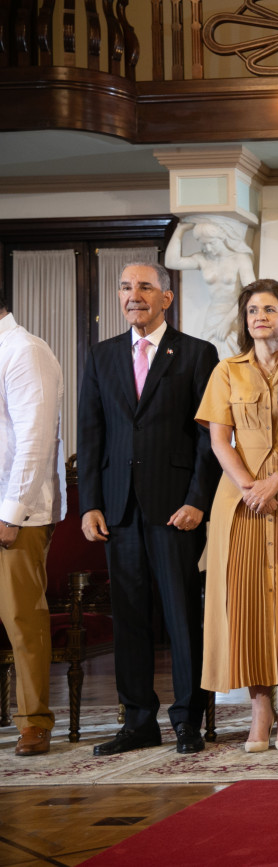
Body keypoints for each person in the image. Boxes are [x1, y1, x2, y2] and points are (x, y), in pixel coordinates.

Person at [79, 261, 222, 756]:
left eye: (144, 286)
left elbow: (208, 439)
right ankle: (138, 720)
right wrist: (90, 504)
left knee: (182, 616)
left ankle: (188, 719)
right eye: (125, 287)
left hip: (174, 508)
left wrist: (198, 501)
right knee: (130, 618)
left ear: (166, 297)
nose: (133, 295)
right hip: (118, 510)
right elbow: (91, 433)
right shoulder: (101, 355)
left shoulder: (197, 353)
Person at [197, 279, 278, 753]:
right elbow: (219, 440)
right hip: (239, 502)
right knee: (246, 606)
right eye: (252, 310)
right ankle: (260, 708)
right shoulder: (226, 371)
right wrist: (250, 487)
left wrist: (277, 481)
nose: (260, 317)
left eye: (269, 309)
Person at [0, 305, 65, 757]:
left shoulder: (24, 350)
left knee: (21, 619)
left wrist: (12, 513)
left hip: (14, 511)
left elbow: (35, 440)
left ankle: (33, 720)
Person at [164, 216, 258, 358]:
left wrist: (228, 321)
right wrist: (180, 230)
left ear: (222, 238)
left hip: (235, 316)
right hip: (213, 316)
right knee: (210, 358)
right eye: (204, 244)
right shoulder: (202, 259)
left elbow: (253, 292)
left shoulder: (240, 258)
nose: (208, 248)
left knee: (233, 358)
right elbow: (172, 262)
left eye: (211, 243)